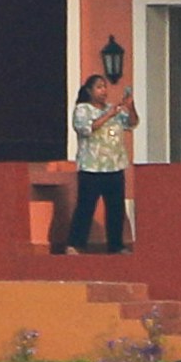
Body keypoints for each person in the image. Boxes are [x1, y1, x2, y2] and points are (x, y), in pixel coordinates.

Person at [61, 63, 137, 254]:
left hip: (114, 166)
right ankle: (75, 243)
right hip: (91, 168)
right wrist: (108, 114)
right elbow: (86, 128)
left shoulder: (114, 109)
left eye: (105, 87)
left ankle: (116, 245)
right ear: (89, 90)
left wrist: (130, 107)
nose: (103, 91)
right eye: (99, 87)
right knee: (86, 207)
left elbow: (131, 124)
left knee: (116, 209)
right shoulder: (82, 110)